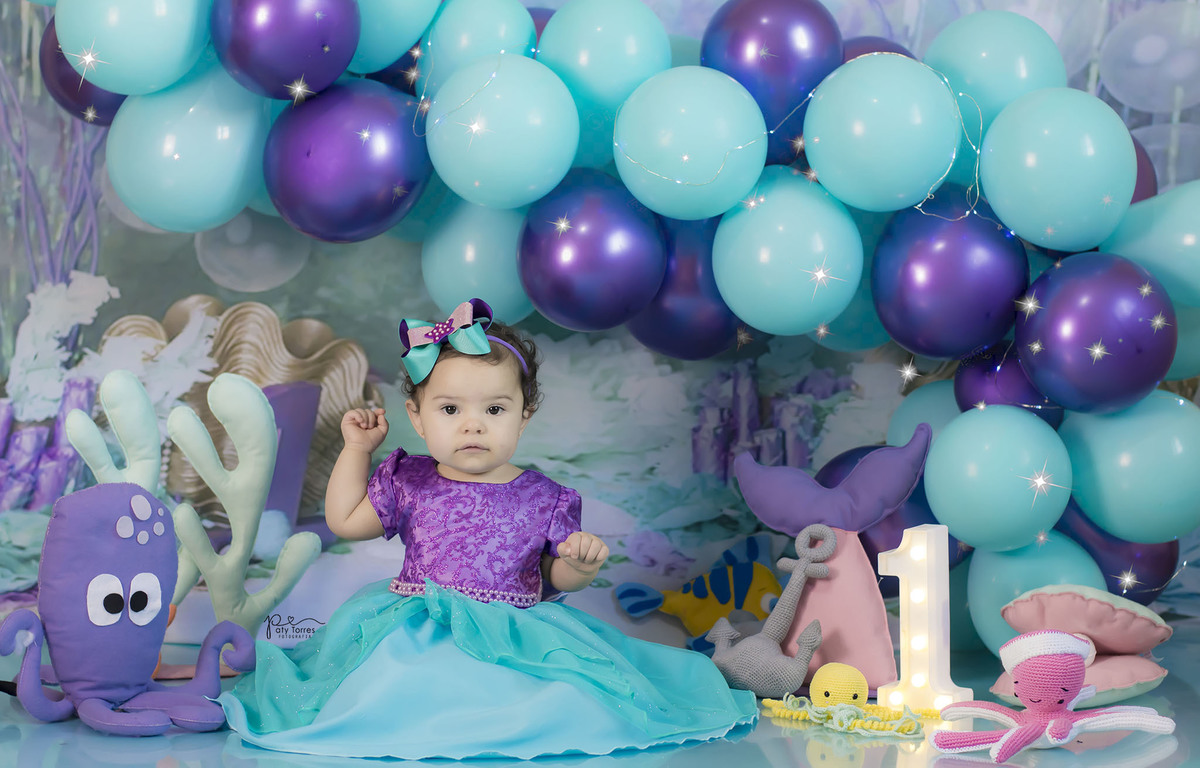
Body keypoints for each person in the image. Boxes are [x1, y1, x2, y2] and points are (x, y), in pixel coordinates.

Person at [219, 299, 757, 759]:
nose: (473, 424)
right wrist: (357, 449)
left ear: (524, 415)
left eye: (495, 408)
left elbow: (553, 579)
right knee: (393, 690)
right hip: (418, 625)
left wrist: (577, 565)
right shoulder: (410, 480)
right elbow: (344, 520)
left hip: (514, 632)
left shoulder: (545, 497)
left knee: (558, 698)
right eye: (450, 409)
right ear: (418, 416)